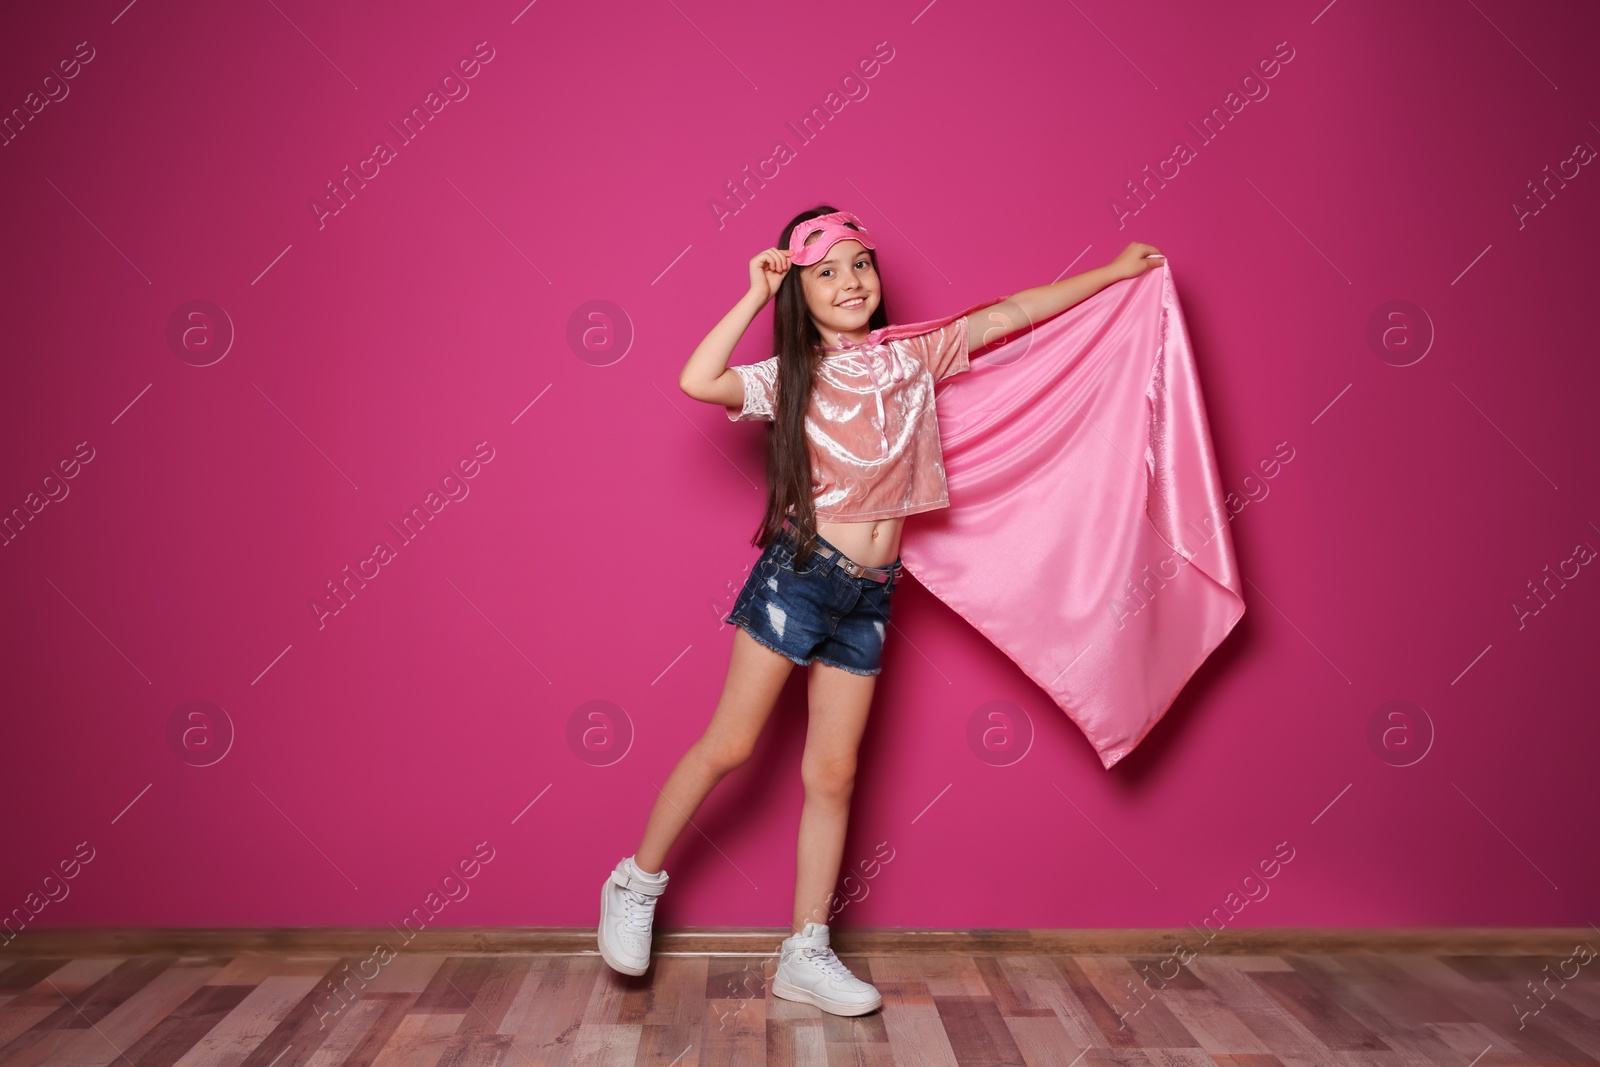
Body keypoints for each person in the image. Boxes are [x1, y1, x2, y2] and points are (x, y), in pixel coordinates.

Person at [597, 205, 1164, 1016]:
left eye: (860, 264)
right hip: (799, 576)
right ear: (801, 292)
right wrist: (755, 297)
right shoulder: (791, 373)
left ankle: (806, 948)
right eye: (825, 272)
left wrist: (1110, 275)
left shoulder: (916, 353)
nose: (850, 282)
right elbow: (697, 378)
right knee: (731, 743)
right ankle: (635, 881)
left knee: (833, 772)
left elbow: (1012, 311)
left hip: (872, 592)